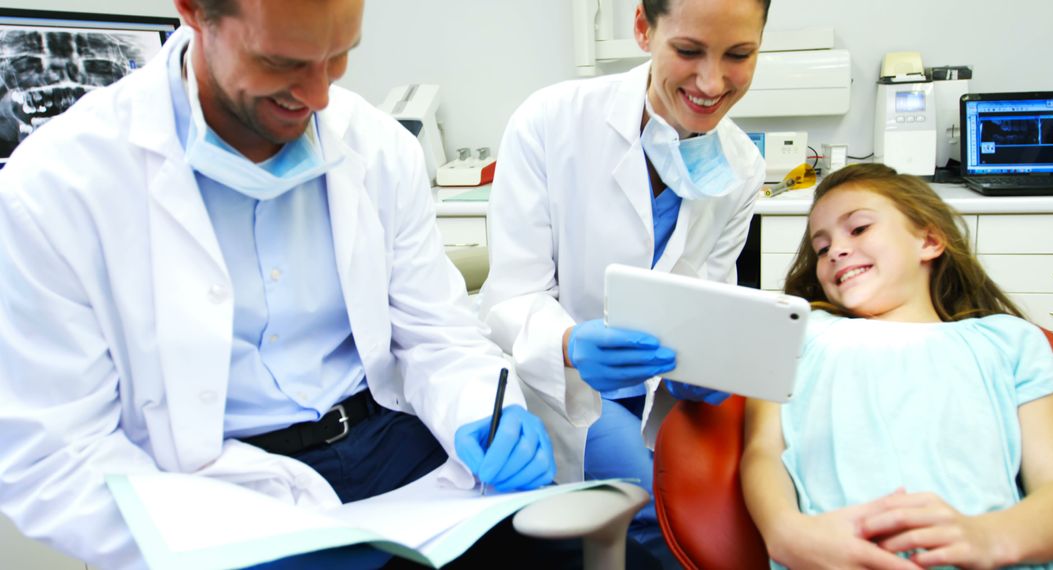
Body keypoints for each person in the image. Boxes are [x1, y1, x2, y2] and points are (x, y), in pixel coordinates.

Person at [0, 0, 560, 568]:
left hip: (390, 447)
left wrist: (481, 411)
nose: (318, 98)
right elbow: (56, 453)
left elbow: (438, 335)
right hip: (205, 484)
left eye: (338, 57)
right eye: (281, 62)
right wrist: (215, 550)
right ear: (194, 12)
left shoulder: (379, 145)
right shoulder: (55, 187)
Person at [477, 0, 770, 554]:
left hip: (664, 396)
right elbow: (509, 297)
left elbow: (711, 293)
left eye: (739, 55)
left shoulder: (741, 166)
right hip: (563, 387)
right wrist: (568, 344)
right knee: (659, 514)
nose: (712, 82)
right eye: (687, 51)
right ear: (643, 28)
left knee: (738, 507)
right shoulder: (550, 121)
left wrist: (709, 362)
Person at [741, 164, 1053, 569]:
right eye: (821, 248)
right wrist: (785, 533)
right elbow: (762, 450)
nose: (835, 251)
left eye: (859, 228)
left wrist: (991, 539)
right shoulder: (799, 333)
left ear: (929, 240)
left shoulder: (1007, 342)